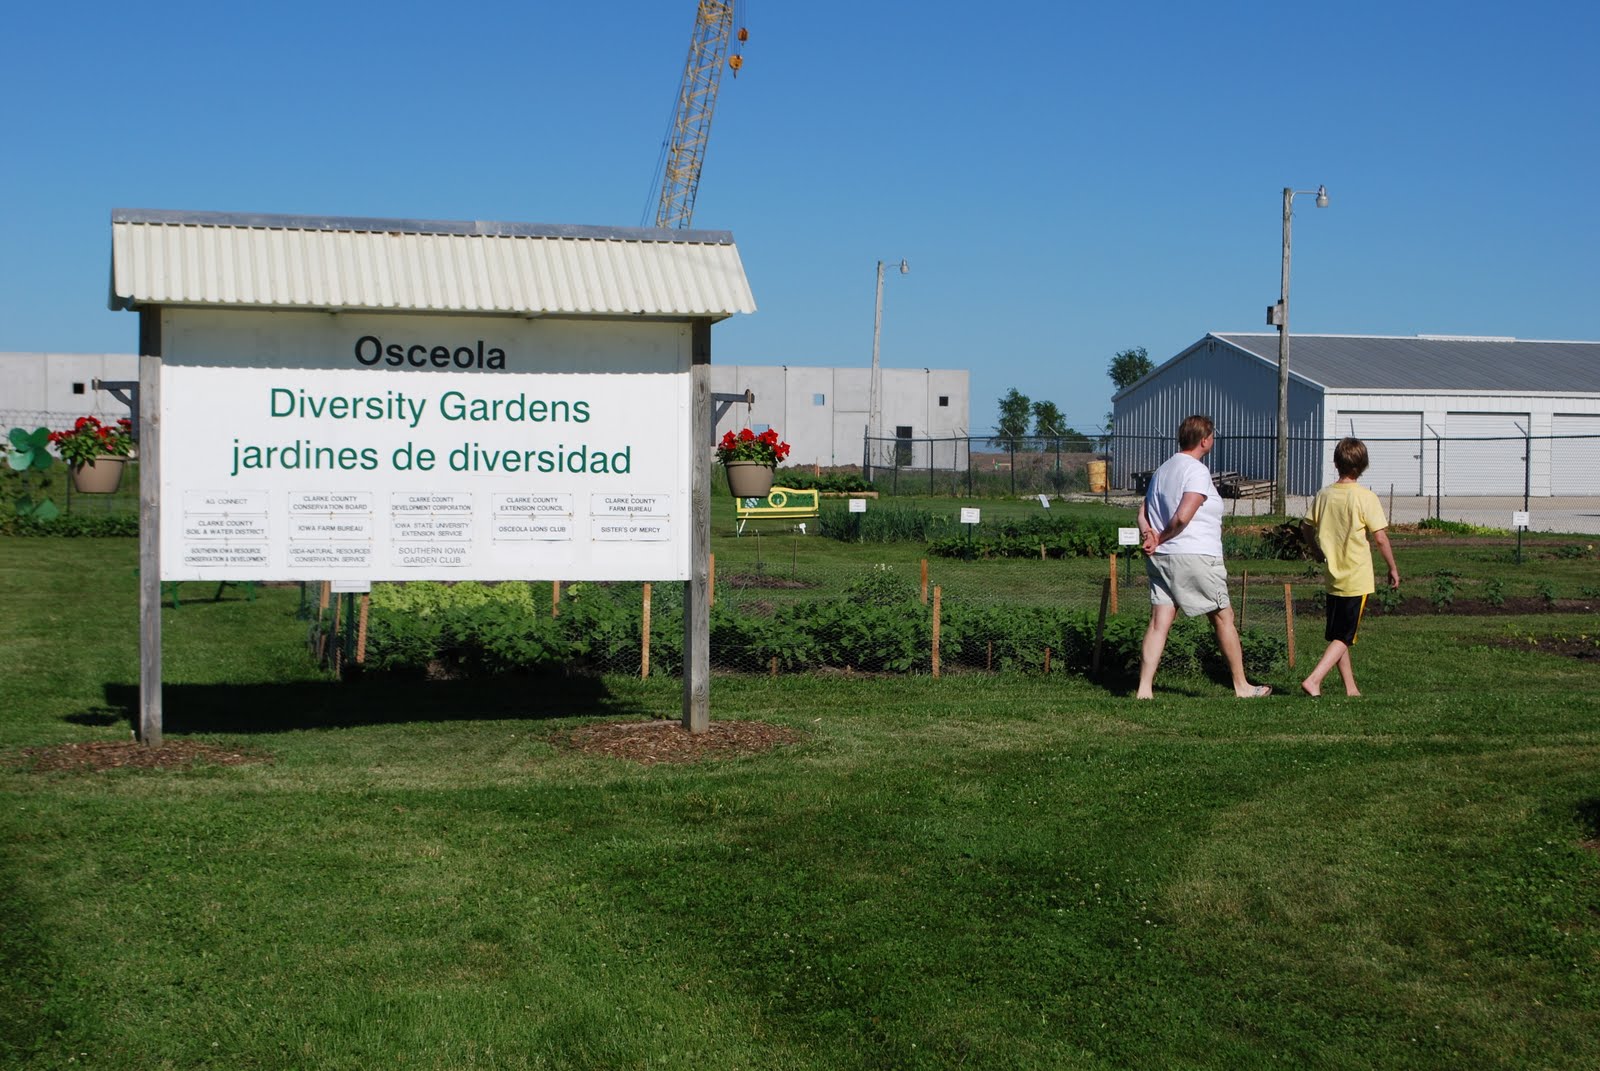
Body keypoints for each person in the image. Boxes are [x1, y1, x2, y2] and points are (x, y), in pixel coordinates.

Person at [1135, 415, 1271, 699]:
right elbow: (1183, 516)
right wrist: (1159, 536)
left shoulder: (1162, 470)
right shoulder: (1196, 471)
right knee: (1224, 617)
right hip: (1194, 556)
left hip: (1162, 558)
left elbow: (1142, 513)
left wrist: (1149, 534)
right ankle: (1242, 686)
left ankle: (1144, 689)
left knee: (1159, 622)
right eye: (1211, 436)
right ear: (1204, 440)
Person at [1298, 437, 1401, 697]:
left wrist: (1316, 549)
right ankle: (1314, 679)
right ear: (1363, 466)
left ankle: (1351, 688)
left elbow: (1306, 527)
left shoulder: (1324, 494)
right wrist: (1392, 568)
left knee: (1339, 634)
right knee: (1344, 636)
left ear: (1336, 463)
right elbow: (1380, 537)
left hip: (1333, 575)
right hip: (1356, 577)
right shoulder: (1366, 497)